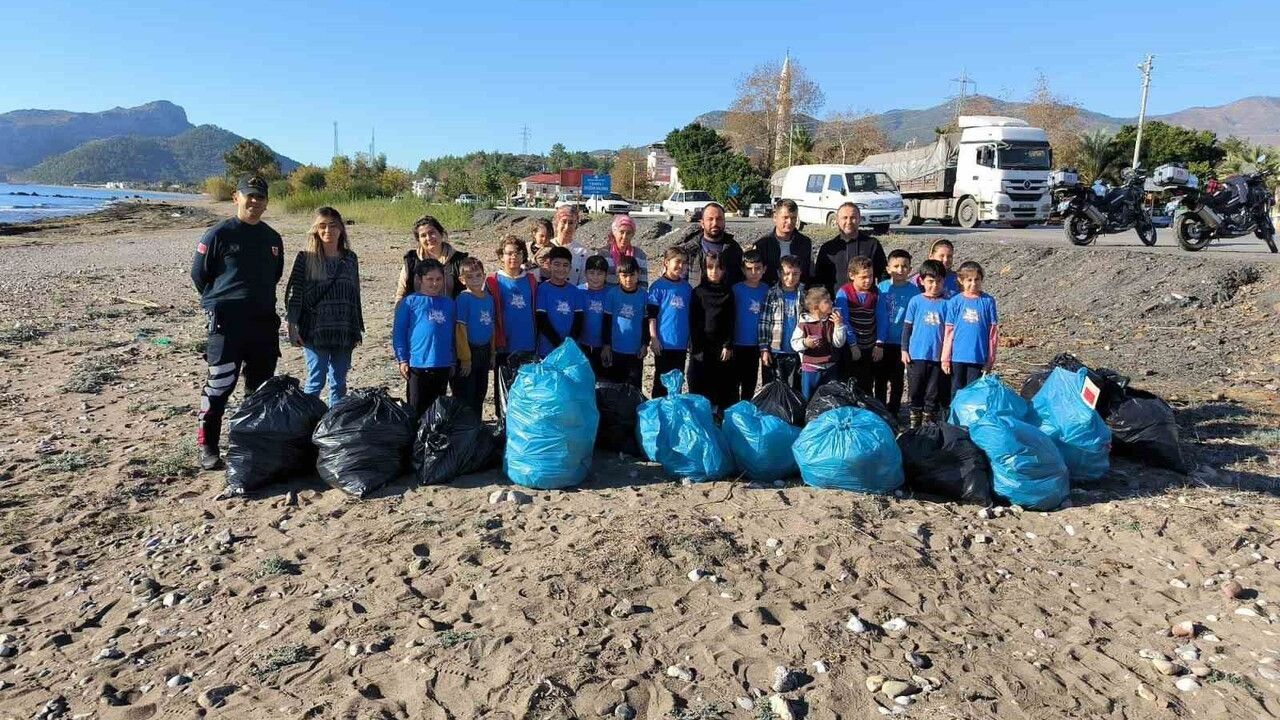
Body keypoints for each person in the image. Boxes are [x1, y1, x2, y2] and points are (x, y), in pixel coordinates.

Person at [190, 176, 284, 470]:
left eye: (260, 197)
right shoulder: (218, 234)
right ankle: (208, 446)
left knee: (258, 390)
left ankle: (247, 444)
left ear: (267, 202)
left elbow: (275, 276)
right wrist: (221, 302)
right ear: (236, 198)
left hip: (263, 324)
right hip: (227, 325)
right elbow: (199, 276)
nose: (254, 202)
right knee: (219, 385)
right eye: (249, 196)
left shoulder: (273, 239)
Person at [284, 206, 364, 405]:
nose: (328, 231)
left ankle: (331, 427)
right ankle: (309, 425)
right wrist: (292, 326)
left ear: (341, 230)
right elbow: (295, 294)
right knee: (315, 381)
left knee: (339, 383)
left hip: (343, 328)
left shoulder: (350, 258)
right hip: (314, 329)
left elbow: (355, 294)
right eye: (322, 226)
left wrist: (357, 328)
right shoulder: (305, 258)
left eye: (333, 225)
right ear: (316, 230)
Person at [393, 260, 465, 416]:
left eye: (438, 279)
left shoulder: (449, 304)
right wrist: (402, 359)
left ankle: (432, 439)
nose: (435, 283)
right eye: (430, 279)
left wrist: (453, 360)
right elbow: (399, 333)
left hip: (442, 364)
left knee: (437, 410)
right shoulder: (410, 302)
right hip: (417, 364)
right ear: (420, 279)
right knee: (416, 409)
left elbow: (454, 334)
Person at [485, 235, 539, 417]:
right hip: (504, 345)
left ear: (524, 256)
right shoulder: (492, 281)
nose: (513, 257)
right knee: (504, 392)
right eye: (508, 253)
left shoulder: (531, 280)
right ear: (501, 256)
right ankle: (503, 428)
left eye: (517, 253)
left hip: (528, 343)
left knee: (527, 391)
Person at [901, 260, 950, 428]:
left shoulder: (947, 304)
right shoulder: (915, 301)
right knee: (915, 390)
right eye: (930, 281)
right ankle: (914, 422)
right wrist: (904, 349)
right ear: (921, 281)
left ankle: (928, 422)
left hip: (937, 356)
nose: (934, 285)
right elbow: (907, 328)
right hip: (916, 355)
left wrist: (947, 356)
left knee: (933, 391)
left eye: (939, 281)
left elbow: (950, 332)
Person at [942, 260, 1000, 395]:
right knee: (956, 391)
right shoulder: (955, 302)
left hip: (977, 357)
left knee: (973, 391)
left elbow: (993, 334)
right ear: (961, 280)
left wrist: (990, 359)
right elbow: (949, 332)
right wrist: (945, 358)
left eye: (977, 279)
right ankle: (954, 415)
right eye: (969, 280)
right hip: (957, 357)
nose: (973, 284)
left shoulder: (988, 301)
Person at [688, 252, 736, 414]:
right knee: (699, 384)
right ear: (704, 269)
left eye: (718, 268)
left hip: (721, 348)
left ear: (724, 270)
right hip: (701, 347)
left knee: (721, 384)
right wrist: (696, 348)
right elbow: (694, 321)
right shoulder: (698, 292)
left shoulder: (728, 293)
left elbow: (731, 320)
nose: (714, 271)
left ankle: (719, 418)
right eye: (710, 267)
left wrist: (728, 344)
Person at [873, 249, 919, 416]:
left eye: (905, 266)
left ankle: (893, 412)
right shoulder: (881, 288)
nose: (900, 270)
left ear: (910, 268)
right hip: (881, 342)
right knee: (880, 379)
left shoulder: (914, 292)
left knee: (897, 380)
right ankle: (879, 411)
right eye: (896, 266)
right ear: (888, 268)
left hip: (901, 343)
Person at [450, 256, 494, 416]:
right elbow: (460, 330)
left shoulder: (489, 299)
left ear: (484, 275)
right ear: (462, 279)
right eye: (469, 276)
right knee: (466, 394)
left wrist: (493, 353)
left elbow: (491, 327)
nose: (475, 279)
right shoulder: (463, 299)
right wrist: (465, 359)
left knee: (480, 392)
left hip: (484, 350)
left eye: (478, 275)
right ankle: (464, 430)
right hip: (469, 352)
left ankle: (477, 427)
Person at [646, 246, 693, 398]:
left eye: (684, 263)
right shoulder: (657, 287)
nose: (681, 266)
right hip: (664, 343)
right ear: (666, 262)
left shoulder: (687, 288)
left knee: (677, 382)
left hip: (681, 343)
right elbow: (651, 316)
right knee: (661, 381)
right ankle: (658, 413)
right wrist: (653, 338)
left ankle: (674, 413)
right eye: (677, 261)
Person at [814, 203, 888, 293]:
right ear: (837, 220)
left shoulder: (872, 244)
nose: (849, 222)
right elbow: (819, 280)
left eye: (853, 217)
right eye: (845, 218)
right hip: (836, 303)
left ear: (859, 219)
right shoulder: (828, 248)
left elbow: (884, 276)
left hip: (867, 304)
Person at [757, 255, 805, 394]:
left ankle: (793, 415)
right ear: (779, 273)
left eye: (795, 274)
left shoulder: (804, 294)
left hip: (797, 352)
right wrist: (764, 349)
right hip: (776, 351)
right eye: (786, 274)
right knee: (773, 389)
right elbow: (764, 322)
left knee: (794, 389)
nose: (791, 278)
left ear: (801, 273)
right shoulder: (772, 294)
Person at [791, 287, 847, 400]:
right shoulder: (804, 324)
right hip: (811, 369)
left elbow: (838, 343)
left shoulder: (832, 321)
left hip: (830, 367)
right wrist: (805, 343)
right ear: (816, 307)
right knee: (808, 398)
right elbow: (794, 343)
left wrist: (838, 326)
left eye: (830, 300)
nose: (832, 303)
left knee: (831, 399)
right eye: (827, 301)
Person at [602, 256, 649, 388]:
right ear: (618, 276)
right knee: (616, 386)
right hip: (616, 349)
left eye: (632, 275)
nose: (628, 279)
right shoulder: (612, 294)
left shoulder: (644, 296)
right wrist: (606, 345)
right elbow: (607, 321)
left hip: (635, 351)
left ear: (638, 274)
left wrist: (645, 344)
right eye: (624, 275)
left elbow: (646, 323)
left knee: (634, 387)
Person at [396, 215, 469, 300]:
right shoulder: (411, 261)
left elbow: (473, 290)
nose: (428, 238)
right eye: (423, 235)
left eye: (432, 233)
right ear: (418, 240)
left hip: (452, 311)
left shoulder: (459, 260)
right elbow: (400, 294)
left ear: (441, 233)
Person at [834, 256, 877, 393]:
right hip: (850, 346)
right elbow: (844, 320)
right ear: (852, 275)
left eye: (870, 276)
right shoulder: (844, 293)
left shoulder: (876, 292)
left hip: (869, 345)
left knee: (867, 382)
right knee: (849, 381)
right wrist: (853, 345)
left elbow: (882, 318)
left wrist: (879, 343)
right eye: (864, 277)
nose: (868, 280)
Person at [730, 250, 769, 401]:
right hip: (737, 343)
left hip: (756, 344)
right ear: (743, 269)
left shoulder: (767, 290)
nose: (754, 272)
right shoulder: (736, 289)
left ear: (764, 269)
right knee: (733, 382)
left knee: (750, 382)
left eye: (758, 268)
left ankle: (746, 411)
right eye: (749, 268)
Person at [535, 246, 585, 358]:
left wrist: (569, 344)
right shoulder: (543, 289)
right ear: (550, 265)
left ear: (570, 267)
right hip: (548, 350)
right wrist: (559, 344)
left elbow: (579, 319)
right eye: (557, 264)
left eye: (565, 265)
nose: (561, 269)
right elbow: (542, 320)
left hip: (570, 349)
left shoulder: (575, 291)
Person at [676, 203, 743, 286]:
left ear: (724, 222)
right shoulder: (689, 249)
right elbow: (677, 282)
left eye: (719, 219)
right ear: (702, 223)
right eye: (710, 219)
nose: (715, 223)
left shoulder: (734, 249)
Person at [753, 199, 813, 284]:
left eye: (793, 218)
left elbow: (808, 274)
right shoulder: (762, 245)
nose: (790, 222)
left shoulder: (805, 243)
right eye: (785, 217)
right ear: (775, 217)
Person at [579, 255, 610, 376]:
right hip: (582, 345)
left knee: (603, 381)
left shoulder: (611, 293)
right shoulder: (578, 291)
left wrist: (607, 345)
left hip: (604, 347)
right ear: (585, 273)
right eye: (591, 273)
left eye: (600, 273)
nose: (595, 277)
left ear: (606, 275)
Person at [602, 214, 649, 288]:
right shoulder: (603, 254)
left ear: (633, 234)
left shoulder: (640, 255)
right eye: (621, 232)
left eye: (628, 233)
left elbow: (643, 283)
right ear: (614, 232)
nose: (624, 237)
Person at [551, 205, 589, 285]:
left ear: (576, 225)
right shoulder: (548, 246)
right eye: (564, 221)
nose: (567, 227)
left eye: (571, 223)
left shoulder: (582, 252)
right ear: (557, 223)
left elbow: (583, 282)